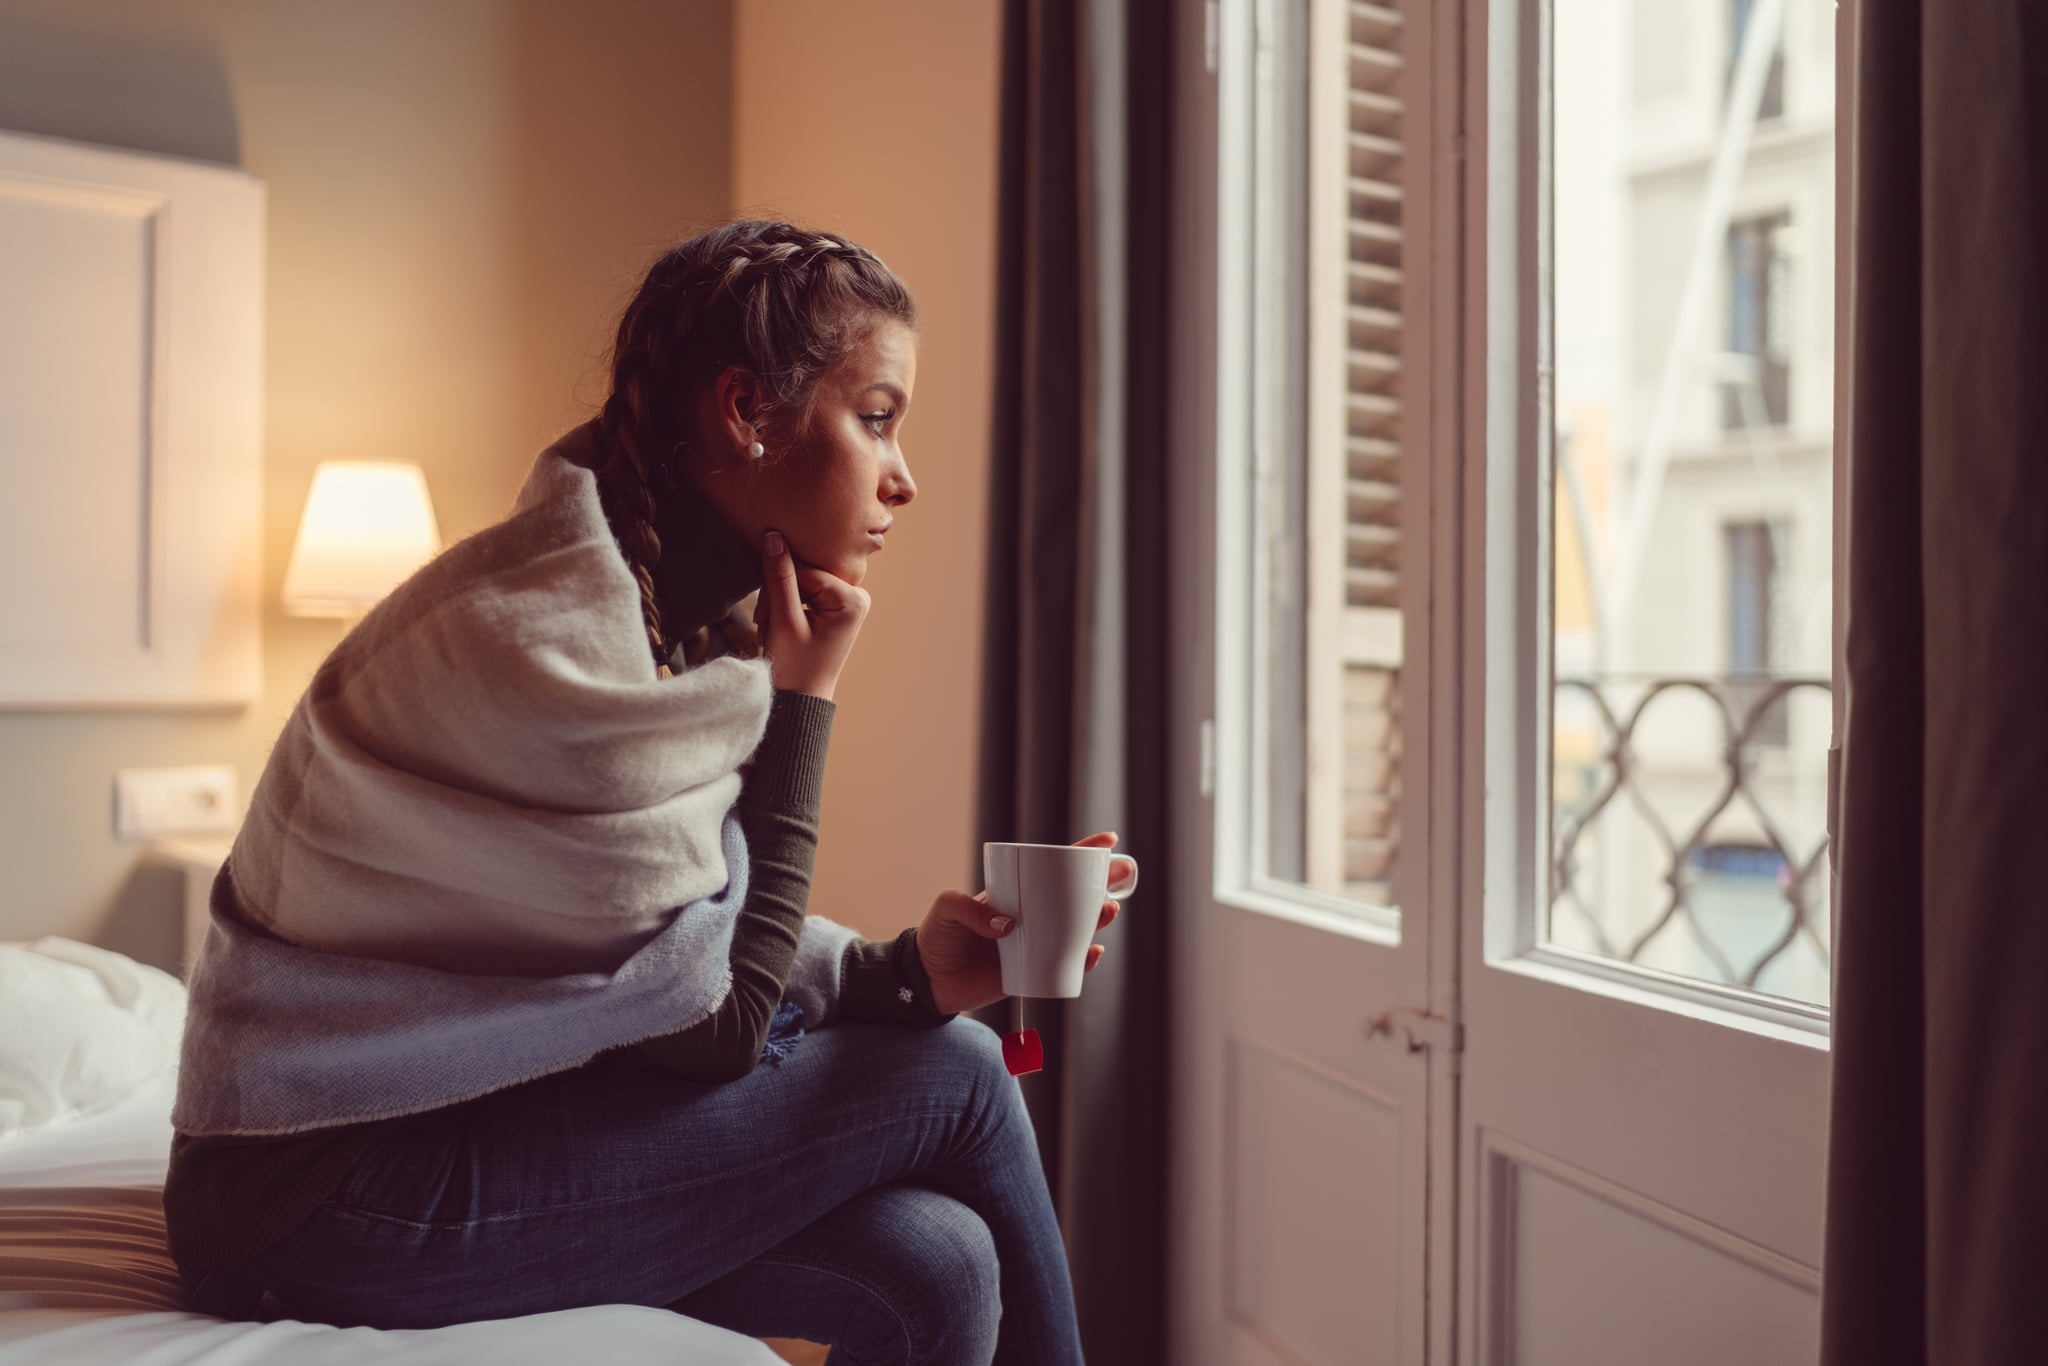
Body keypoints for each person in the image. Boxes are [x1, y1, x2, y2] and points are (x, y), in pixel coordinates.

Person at [160, 218, 1132, 1366]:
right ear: (744, 411)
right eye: (875, 416)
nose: (902, 477)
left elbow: (636, 957)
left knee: (937, 1260)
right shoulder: (544, 644)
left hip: (438, 1134)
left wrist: (900, 974)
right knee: (963, 1074)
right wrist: (802, 700)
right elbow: (710, 1027)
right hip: (314, 1192)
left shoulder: (652, 624)